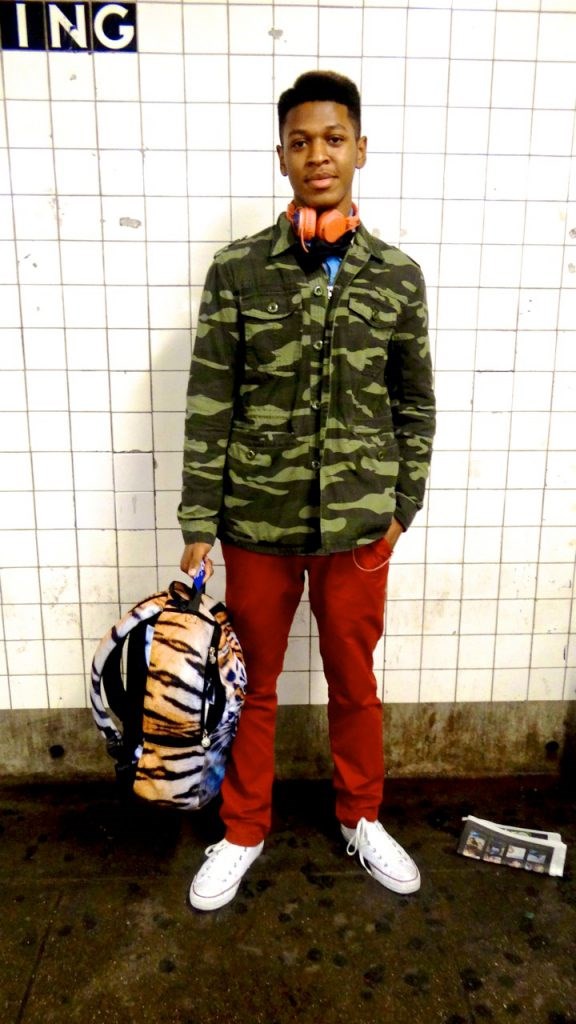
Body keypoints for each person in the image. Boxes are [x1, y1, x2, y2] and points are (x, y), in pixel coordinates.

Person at [178, 70, 436, 911]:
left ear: (361, 148)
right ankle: (243, 828)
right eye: (300, 140)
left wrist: (402, 506)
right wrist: (198, 519)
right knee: (253, 683)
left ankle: (361, 814)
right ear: (282, 154)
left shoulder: (397, 277)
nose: (317, 154)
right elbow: (211, 398)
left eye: (334, 138)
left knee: (354, 681)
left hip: (361, 526)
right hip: (256, 521)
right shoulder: (239, 272)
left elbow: (415, 400)